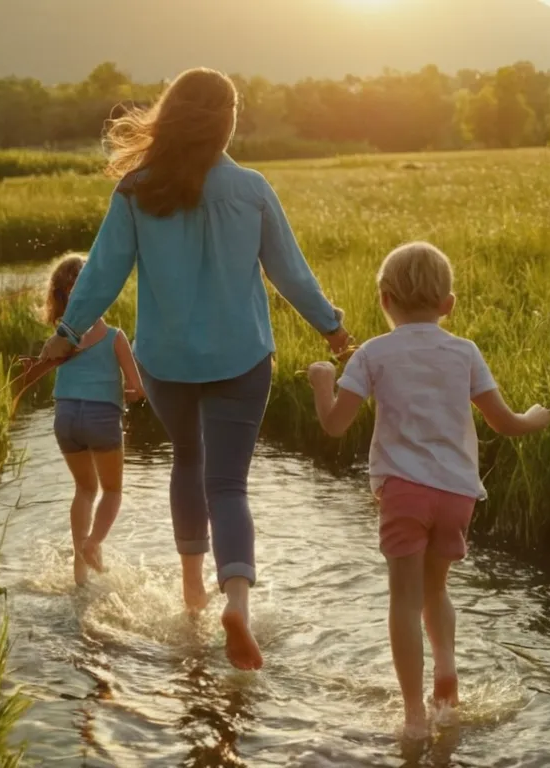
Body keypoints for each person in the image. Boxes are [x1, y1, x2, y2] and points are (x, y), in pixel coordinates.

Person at [40, 67, 351, 671]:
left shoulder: (135, 189)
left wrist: (66, 334)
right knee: (229, 484)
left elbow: (102, 271)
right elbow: (291, 273)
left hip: (168, 362)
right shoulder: (254, 188)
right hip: (242, 358)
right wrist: (335, 332)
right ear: (230, 122)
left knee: (188, 459)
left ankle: (189, 599)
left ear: (171, 116)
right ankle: (235, 601)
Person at [306, 241, 550, 737]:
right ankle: (446, 669)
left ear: (384, 300)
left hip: (403, 493)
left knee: (403, 597)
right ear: (449, 304)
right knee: (436, 588)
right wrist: (536, 418)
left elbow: (334, 425)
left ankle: (415, 715)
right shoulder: (464, 352)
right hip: (457, 495)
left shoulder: (374, 353)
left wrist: (320, 383)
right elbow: (504, 423)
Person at [41, 253, 146, 587]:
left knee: (84, 488)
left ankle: (78, 571)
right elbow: (137, 388)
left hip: (66, 418)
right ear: (99, 290)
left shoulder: (58, 342)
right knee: (112, 490)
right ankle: (93, 544)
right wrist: (127, 393)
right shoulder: (115, 337)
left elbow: (45, 366)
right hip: (102, 419)